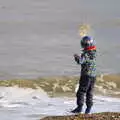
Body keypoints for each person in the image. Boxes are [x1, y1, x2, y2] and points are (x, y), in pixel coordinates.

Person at [71, 36, 97, 114]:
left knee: (81, 92)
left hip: (86, 75)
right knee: (90, 92)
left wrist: (76, 57)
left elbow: (80, 62)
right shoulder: (94, 52)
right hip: (93, 76)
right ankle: (88, 110)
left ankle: (79, 108)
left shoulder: (85, 54)